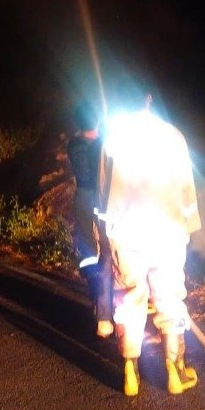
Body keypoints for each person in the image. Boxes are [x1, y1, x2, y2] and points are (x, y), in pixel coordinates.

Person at [98, 94, 201, 396]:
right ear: (149, 98)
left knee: (129, 303)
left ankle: (130, 372)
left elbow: (104, 194)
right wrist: (189, 227)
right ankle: (174, 372)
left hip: (128, 234)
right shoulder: (173, 136)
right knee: (170, 301)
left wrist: (104, 237)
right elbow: (186, 188)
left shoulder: (113, 138)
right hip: (167, 232)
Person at [65, 103, 114, 338]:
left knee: (88, 250)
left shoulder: (73, 145)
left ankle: (97, 299)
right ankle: (108, 307)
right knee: (107, 250)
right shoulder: (102, 144)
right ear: (96, 121)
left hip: (83, 198)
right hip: (102, 198)